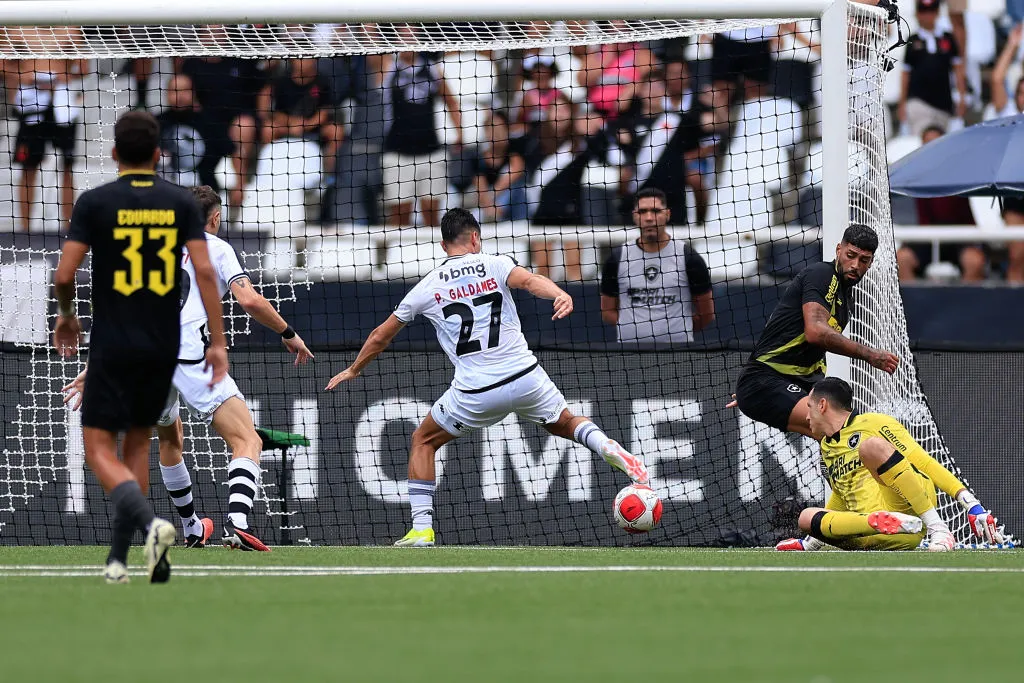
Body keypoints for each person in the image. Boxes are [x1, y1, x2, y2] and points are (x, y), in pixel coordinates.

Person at [325, 208, 650, 547]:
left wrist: (354, 369)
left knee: (423, 441)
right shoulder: (495, 263)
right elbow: (528, 280)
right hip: (525, 375)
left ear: (442, 244)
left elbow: (381, 335)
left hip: (476, 390)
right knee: (565, 422)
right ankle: (609, 448)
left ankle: (422, 529)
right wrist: (559, 293)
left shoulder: (427, 286)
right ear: (475, 237)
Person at [63, 185, 315, 552]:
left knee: (169, 436)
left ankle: (192, 527)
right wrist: (287, 332)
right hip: (190, 358)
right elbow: (248, 299)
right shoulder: (216, 248)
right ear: (215, 219)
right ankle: (239, 522)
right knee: (247, 440)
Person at [51, 111, 228, 584]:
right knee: (137, 448)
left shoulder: (95, 202)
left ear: (114, 154)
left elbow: (65, 274)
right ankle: (122, 558)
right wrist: (219, 340)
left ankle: (152, 526)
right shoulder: (179, 203)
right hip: (164, 346)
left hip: (113, 342)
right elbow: (206, 273)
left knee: (99, 450)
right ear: (158, 155)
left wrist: (67, 315)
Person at [775, 377, 1004, 551]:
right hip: (869, 533)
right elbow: (840, 495)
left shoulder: (874, 423)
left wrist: (971, 504)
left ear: (822, 405)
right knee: (806, 517)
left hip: (907, 514)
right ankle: (878, 522)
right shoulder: (826, 448)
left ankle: (938, 528)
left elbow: (923, 463)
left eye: (809, 408)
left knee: (870, 447)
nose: (806, 417)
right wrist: (812, 541)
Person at [732, 224, 899, 437]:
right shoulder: (822, 274)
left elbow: (811, 351)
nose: (855, 265)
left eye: (863, 260)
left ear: (871, 263)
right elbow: (815, 332)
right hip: (766, 381)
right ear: (839, 250)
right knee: (842, 430)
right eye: (851, 255)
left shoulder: (846, 301)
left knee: (839, 437)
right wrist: (870, 354)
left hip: (779, 384)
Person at [600, 188, 715, 345]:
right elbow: (607, 311)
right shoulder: (617, 258)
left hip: (678, 355)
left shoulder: (689, 258)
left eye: (655, 211)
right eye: (642, 211)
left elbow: (706, 314)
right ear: (634, 216)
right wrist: (634, 328)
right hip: (629, 354)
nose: (649, 218)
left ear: (667, 214)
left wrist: (678, 331)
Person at [381, 24, 464, 227]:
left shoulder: (432, 69)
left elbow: (451, 101)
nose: (408, 40)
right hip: (398, 153)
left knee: (431, 216)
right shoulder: (388, 66)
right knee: (399, 217)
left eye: (413, 35)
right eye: (404, 35)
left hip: (430, 152)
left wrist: (460, 132)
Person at [895, 126, 985, 283]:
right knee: (902, 259)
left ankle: (966, 305)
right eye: (927, 144)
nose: (932, 149)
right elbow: (922, 221)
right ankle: (911, 306)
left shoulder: (962, 173)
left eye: (936, 143)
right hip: (926, 236)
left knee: (975, 261)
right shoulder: (911, 175)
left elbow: (965, 219)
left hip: (959, 236)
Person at [897, 0, 967, 137]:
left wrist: (962, 96)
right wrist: (902, 103)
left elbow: (958, 70)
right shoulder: (912, 41)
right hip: (918, 103)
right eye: (923, 11)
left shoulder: (948, 38)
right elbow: (906, 74)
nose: (927, 16)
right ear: (917, 14)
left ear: (937, 13)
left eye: (931, 11)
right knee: (920, 143)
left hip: (944, 104)